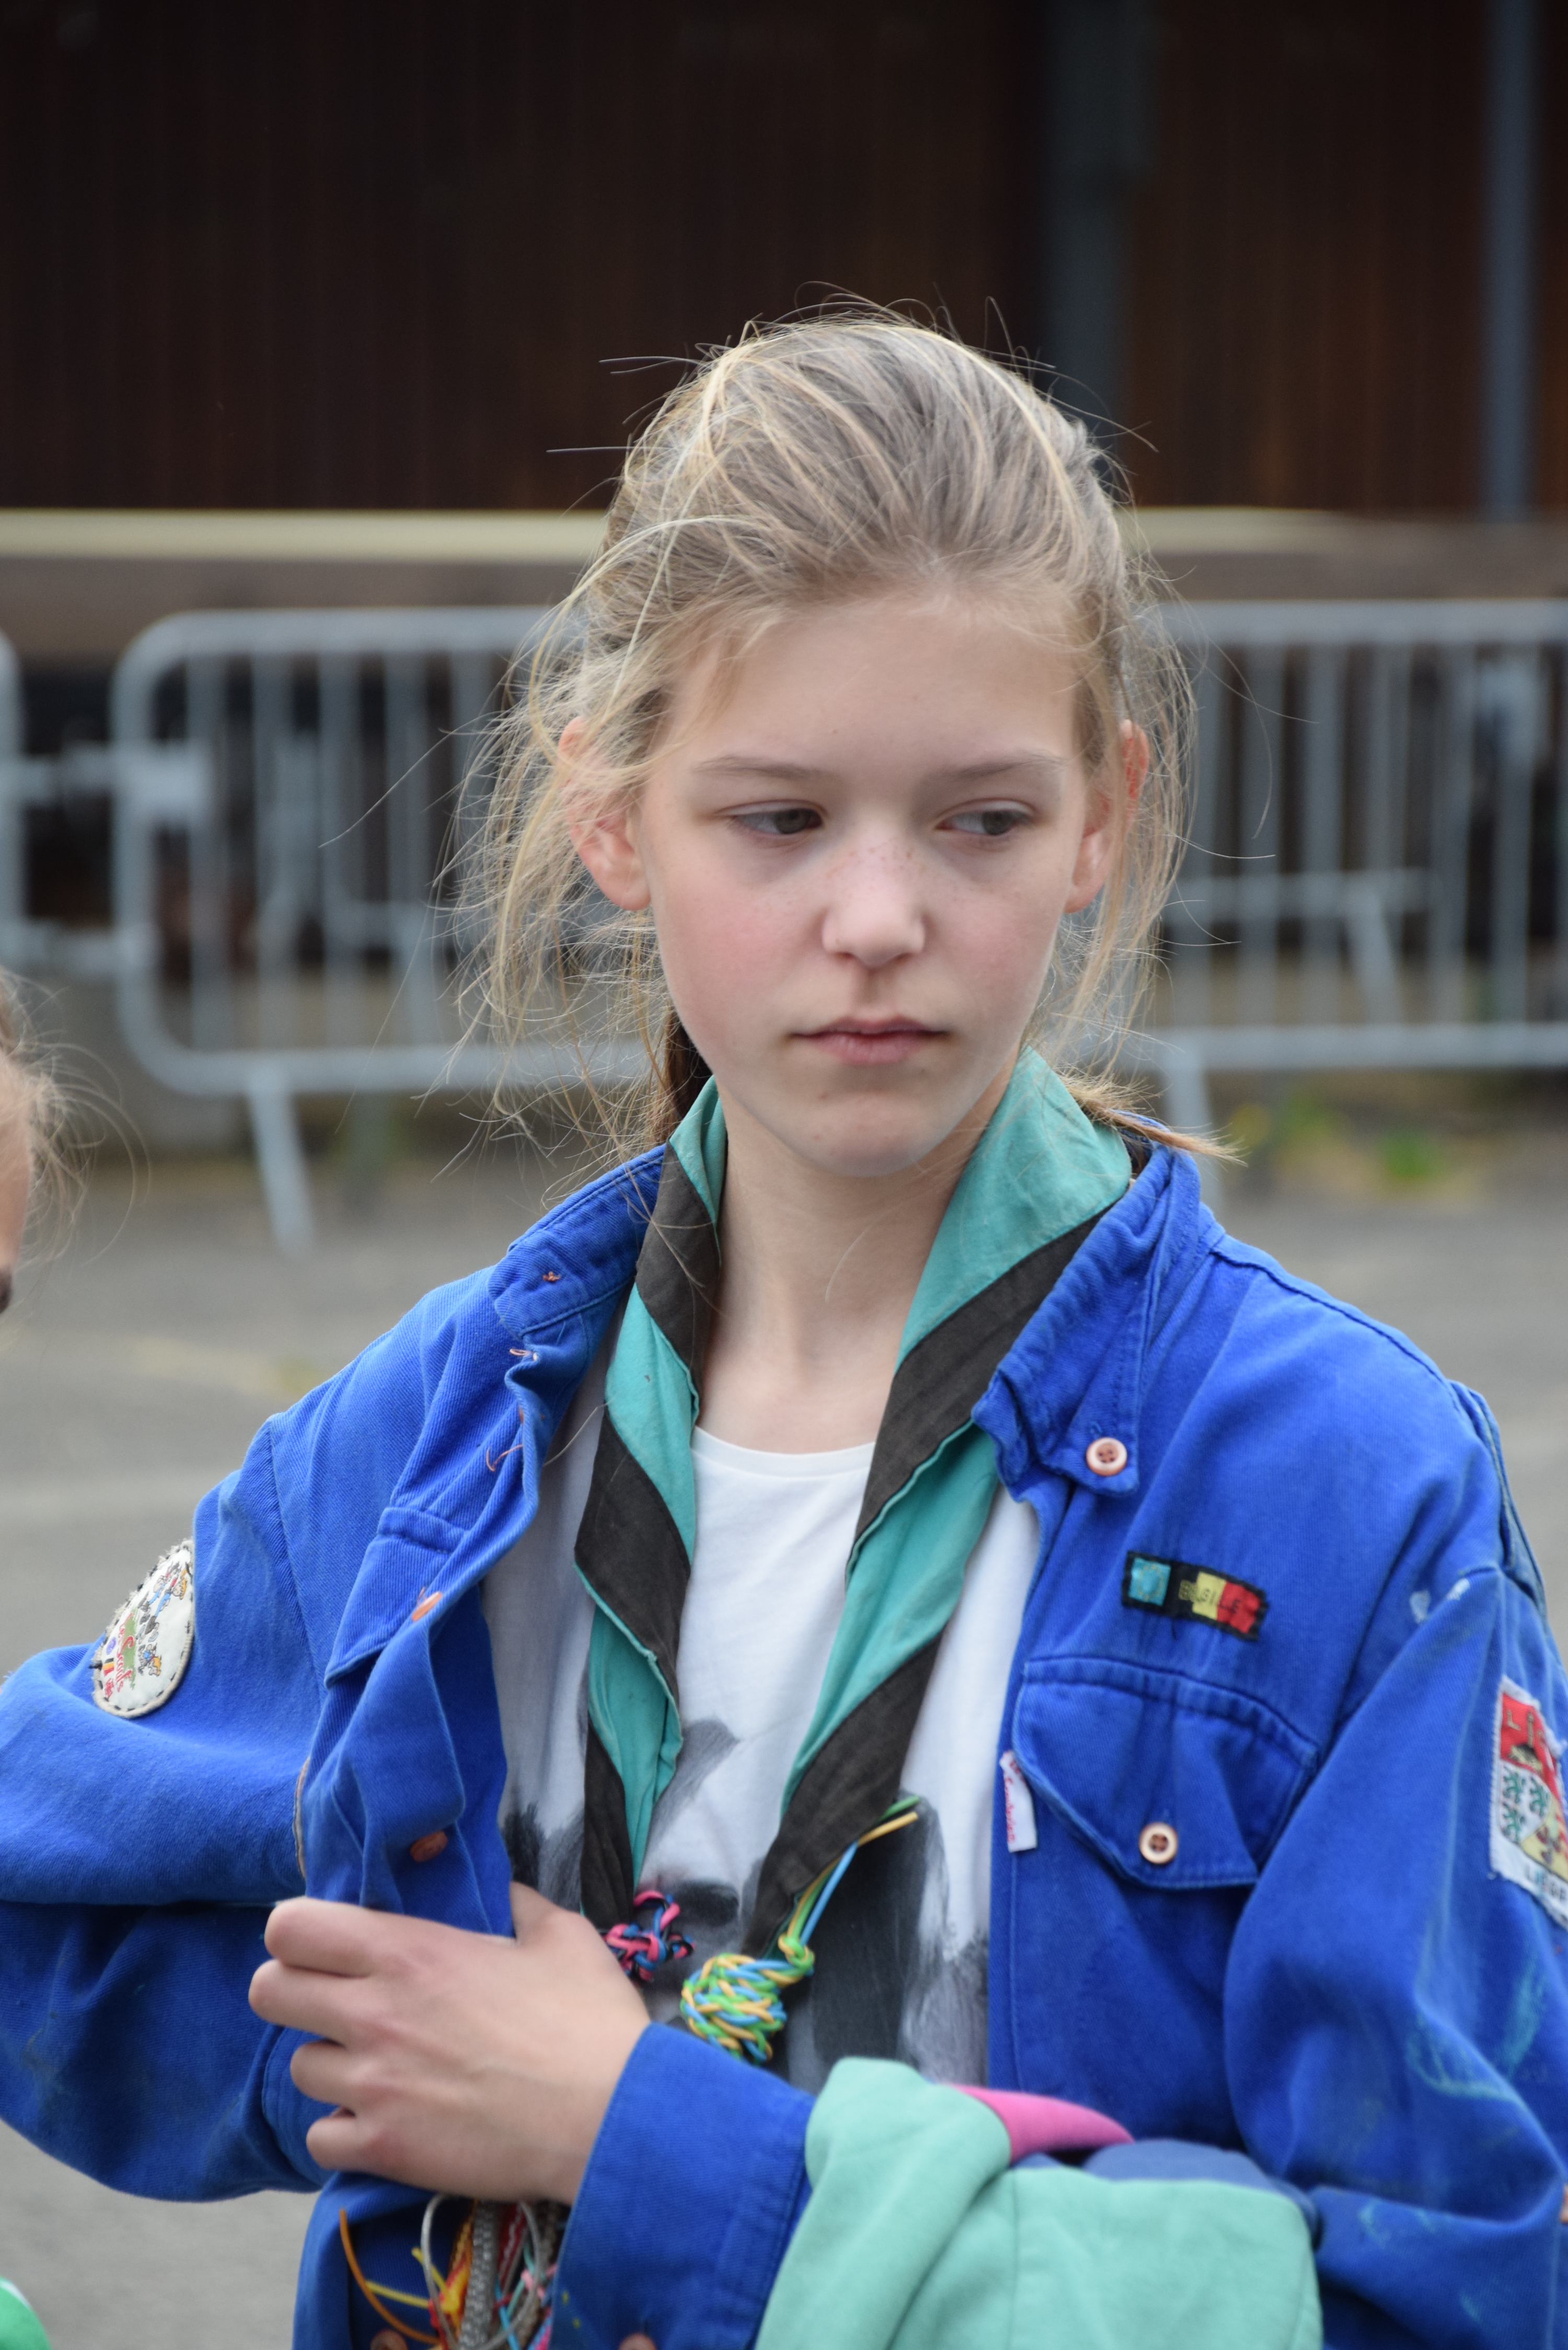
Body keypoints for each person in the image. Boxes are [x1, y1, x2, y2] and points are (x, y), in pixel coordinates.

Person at [0, 316, 1563, 2350]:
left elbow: (1463, 2284)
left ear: (1106, 814)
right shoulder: (445, 1430)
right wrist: (412, 2058)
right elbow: (58, 1895)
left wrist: (635, 2130)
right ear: (613, 812)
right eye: (779, 818)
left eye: (982, 820)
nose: (880, 917)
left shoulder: (1349, 1487)